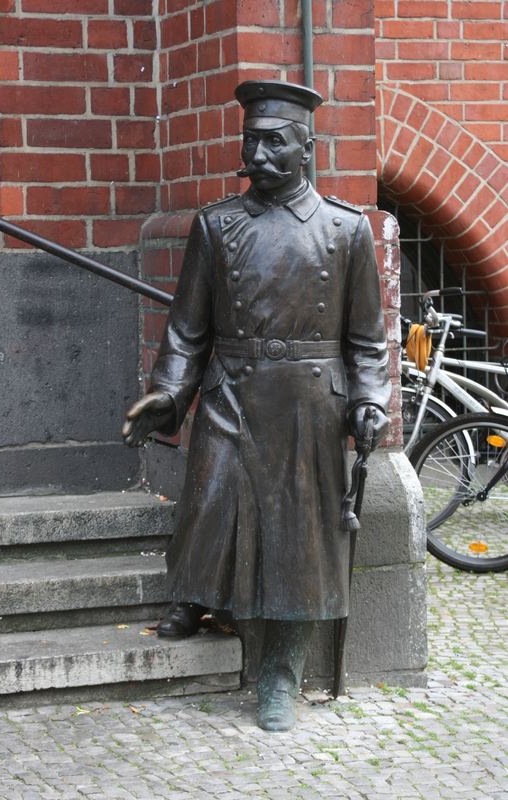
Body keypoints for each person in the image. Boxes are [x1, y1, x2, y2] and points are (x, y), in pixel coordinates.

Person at [122, 80, 391, 731]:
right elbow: (188, 331)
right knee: (210, 502)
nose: (260, 152)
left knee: (298, 548)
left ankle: (281, 673)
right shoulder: (217, 227)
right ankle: (196, 593)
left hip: (308, 406)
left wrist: (370, 403)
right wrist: (167, 395)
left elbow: (366, 341)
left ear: (307, 146)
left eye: (275, 140)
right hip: (231, 392)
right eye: (253, 139)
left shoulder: (345, 231)